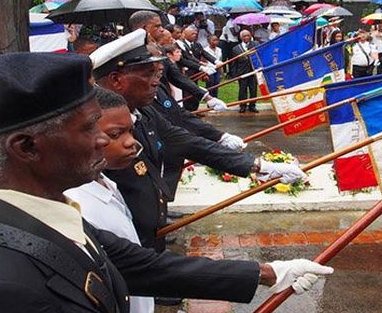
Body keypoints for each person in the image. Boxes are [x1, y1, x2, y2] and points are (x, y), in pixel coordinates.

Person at [0, 52, 333, 313]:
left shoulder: (39, 216)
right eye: (91, 128)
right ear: (27, 147)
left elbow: (136, 264)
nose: (102, 141)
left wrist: (269, 273)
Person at [91, 29, 307, 249]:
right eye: (148, 74)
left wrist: (258, 165)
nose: (156, 81)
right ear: (116, 79)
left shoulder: (144, 112)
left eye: (156, 73)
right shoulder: (92, 128)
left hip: (149, 235)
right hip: (120, 241)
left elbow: (185, 141)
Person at [64, 88, 157, 313]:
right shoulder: (78, 205)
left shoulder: (106, 181)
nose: (132, 142)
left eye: (130, 131)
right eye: (116, 134)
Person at [230, 29, 260, 113]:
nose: (246, 37)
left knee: (253, 89)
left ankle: (252, 106)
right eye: (244, 36)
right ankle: (242, 105)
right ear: (241, 38)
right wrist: (235, 75)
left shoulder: (255, 44)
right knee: (242, 90)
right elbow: (233, 63)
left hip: (253, 72)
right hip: (242, 72)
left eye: (248, 35)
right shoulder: (236, 49)